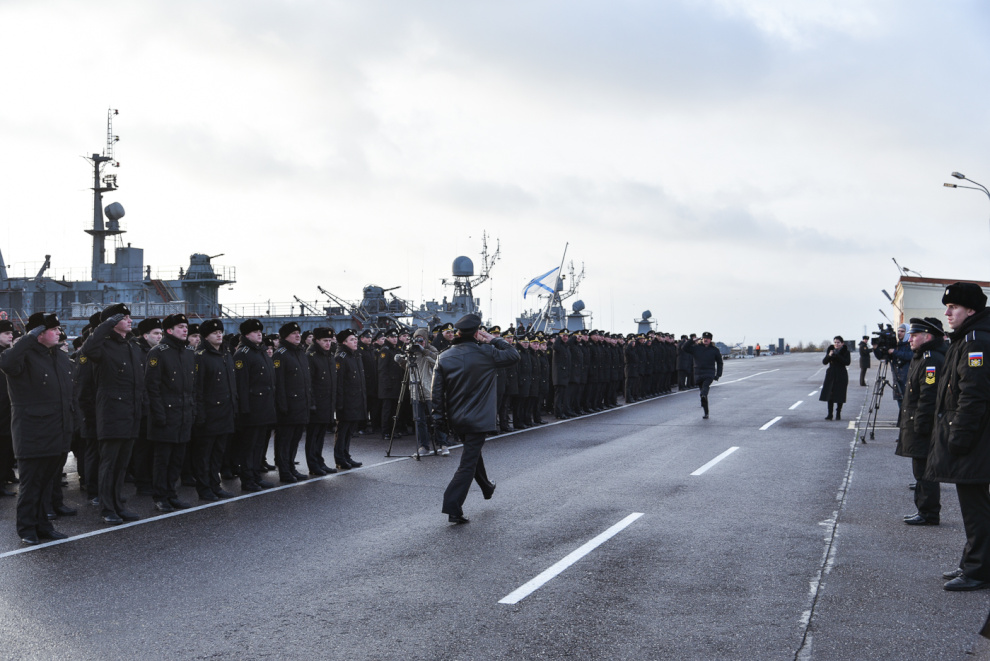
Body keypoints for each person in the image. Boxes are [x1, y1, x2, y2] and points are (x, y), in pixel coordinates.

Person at [925, 282, 990, 591]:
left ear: (971, 310)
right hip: (974, 436)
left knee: (976, 508)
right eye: (947, 307)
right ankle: (972, 563)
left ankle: (979, 571)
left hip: (975, 438)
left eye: (954, 307)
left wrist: (959, 437)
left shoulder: (976, 342)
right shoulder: (966, 338)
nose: (947, 313)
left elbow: (973, 396)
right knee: (974, 505)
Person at [432, 313, 519, 524]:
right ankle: (452, 506)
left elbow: (436, 392)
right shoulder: (487, 352)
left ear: (458, 332)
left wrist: (438, 418)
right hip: (479, 418)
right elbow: (513, 355)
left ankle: (487, 487)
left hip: (456, 418)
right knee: (467, 463)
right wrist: (493, 339)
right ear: (477, 332)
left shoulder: (444, 356)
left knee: (473, 453)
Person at [0, 313, 74, 545]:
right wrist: (27, 339)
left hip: (58, 430)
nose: (59, 333)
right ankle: (26, 528)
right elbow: (7, 363)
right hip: (32, 432)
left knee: (47, 484)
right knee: (31, 485)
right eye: (54, 329)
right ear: (39, 333)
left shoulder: (59, 357)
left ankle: (44, 525)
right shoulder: (23, 355)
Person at [82, 304, 145, 525]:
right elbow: (88, 349)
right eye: (124, 317)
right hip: (111, 413)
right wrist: (106, 324)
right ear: (112, 322)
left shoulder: (132, 346)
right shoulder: (102, 346)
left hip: (131, 413)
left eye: (129, 317)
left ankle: (118, 504)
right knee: (109, 464)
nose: (130, 320)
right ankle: (107, 508)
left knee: (122, 465)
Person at [896, 317, 946, 526]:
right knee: (920, 471)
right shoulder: (922, 356)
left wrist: (921, 426)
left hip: (922, 424)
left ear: (927, 337)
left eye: (914, 336)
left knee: (924, 471)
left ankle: (928, 513)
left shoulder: (930, 359)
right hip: (917, 422)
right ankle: (923, 510)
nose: (910, 339)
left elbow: (928, 396)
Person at [145, 313, 196, 512]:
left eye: (186, 327)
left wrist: (192, 410)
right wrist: (159, 415)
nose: (185, 330)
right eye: (180, 327)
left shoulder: (189, 352)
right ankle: (160, 496)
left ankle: (171, 493)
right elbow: (152, 387)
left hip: (184, 414)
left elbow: (192, 386)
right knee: (163, 460)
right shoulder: (158, 352)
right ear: (169, 330)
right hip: (166, 415)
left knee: (177, 459)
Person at [191, 319, 237, 501]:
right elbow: (197, 388)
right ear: (206, 336)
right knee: (204, 455)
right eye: (214, 333)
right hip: (209, 414)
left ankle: (215, 485)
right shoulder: (200, 356)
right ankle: (204, 488)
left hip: (225, 412)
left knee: (218, 453)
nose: (219, 334)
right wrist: (200, 414)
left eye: (220, 332)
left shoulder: (226, 354)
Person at [233, 319, 277, 493]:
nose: (259, 334)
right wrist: (244, 410)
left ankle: (256, 475)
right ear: (246, 334)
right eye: (254, 332)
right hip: (252, 409)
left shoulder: (261, 352)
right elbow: (241, 385)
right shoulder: (242, 354)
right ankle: (248, 479)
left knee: (259, 445)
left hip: (264, 407)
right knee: (248, 447)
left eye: (260, 331)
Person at [396, 328, 447, 456]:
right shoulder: (411, 351)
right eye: (417, 339)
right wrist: (401, 361)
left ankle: (443, 444)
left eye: (422, 339)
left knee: (436, 419)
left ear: (426, 340)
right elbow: (409, 368)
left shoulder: (431, 350)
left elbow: (437, 362)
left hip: (429, 390)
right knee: (419, 420)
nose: (419, 342)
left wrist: (424, 351)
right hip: (416, 391)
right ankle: (423, 446)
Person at [273, 321, 311, 484]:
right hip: (288, 406)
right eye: (293, 334)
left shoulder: (300, 353)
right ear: (285, 336)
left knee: (295, 439)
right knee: (285, 440)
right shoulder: (280, 355)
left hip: (301, 405)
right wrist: (282, 406)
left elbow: (306, 381)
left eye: (298, 333)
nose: (297, 336)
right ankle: (284, 471)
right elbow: (278, 383)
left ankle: (291, 467)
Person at [305, 327, 338, 476]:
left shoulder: (328, 355)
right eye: (325, 340)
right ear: (316, 340)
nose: (328, 343)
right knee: (313, 436)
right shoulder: (311, 356)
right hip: (316, 404)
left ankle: (319, 461)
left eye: (330, 340)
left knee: (321, 436)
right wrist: (312, 404)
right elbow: (309, 383)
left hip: (327, 402)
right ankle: (313, 465)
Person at [334, 329, 366, 470]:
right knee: (342, 431)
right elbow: (339, 383)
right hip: (346, 402)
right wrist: (339, 404)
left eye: (355, 339)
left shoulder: (355, 355)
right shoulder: (341, 357)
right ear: (344, 342)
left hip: (355, 400)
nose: (355, 341)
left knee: (349, 431)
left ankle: (346, 455)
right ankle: (340, 458)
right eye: (352, 339)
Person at [681, 332, 723, 419]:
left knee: (705, 387)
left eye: (707, 338)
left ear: (710, 340)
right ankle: (706, 412)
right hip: (698, 373)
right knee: (703, 393)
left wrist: (718, 374)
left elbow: (719, 362)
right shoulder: (696, 348)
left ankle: (703, 396)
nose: (705, 340)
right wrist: (692, 340)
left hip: (709, 372)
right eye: (704, 338)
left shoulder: (714, 350)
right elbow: (684, 348)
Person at [820, 336, 851, 420]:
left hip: (841, 374)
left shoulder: (846, 352)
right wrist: (829, 355)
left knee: (840, 394)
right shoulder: (831, 350)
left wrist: (837, 356)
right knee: (830, 394)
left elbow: (847, 362)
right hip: (831, 374)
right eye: (835, 342)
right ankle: (830, 414)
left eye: (838, 342)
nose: (836, 344)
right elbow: (824, 362)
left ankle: (838, 413)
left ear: (842, 343)